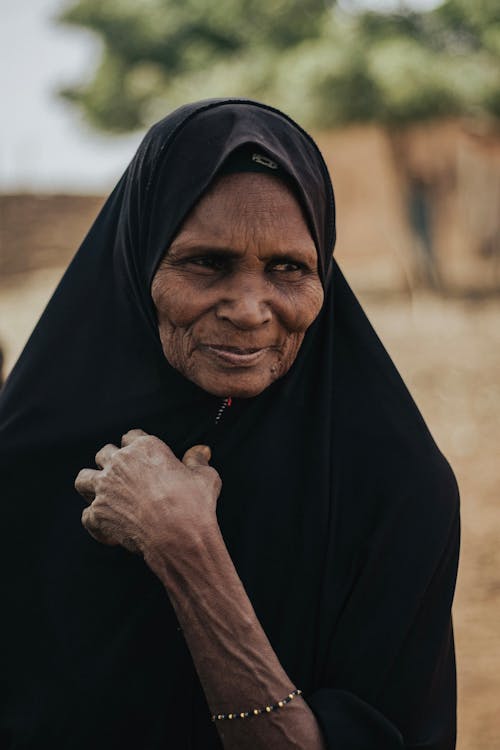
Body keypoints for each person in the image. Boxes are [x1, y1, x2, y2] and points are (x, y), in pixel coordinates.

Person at [0, 99, 459, 750]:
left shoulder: (393, 487)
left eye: (288, 268)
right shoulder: (26, 452)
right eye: (207, 263)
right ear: (140, 260)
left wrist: (187, 551)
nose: (249, 310)